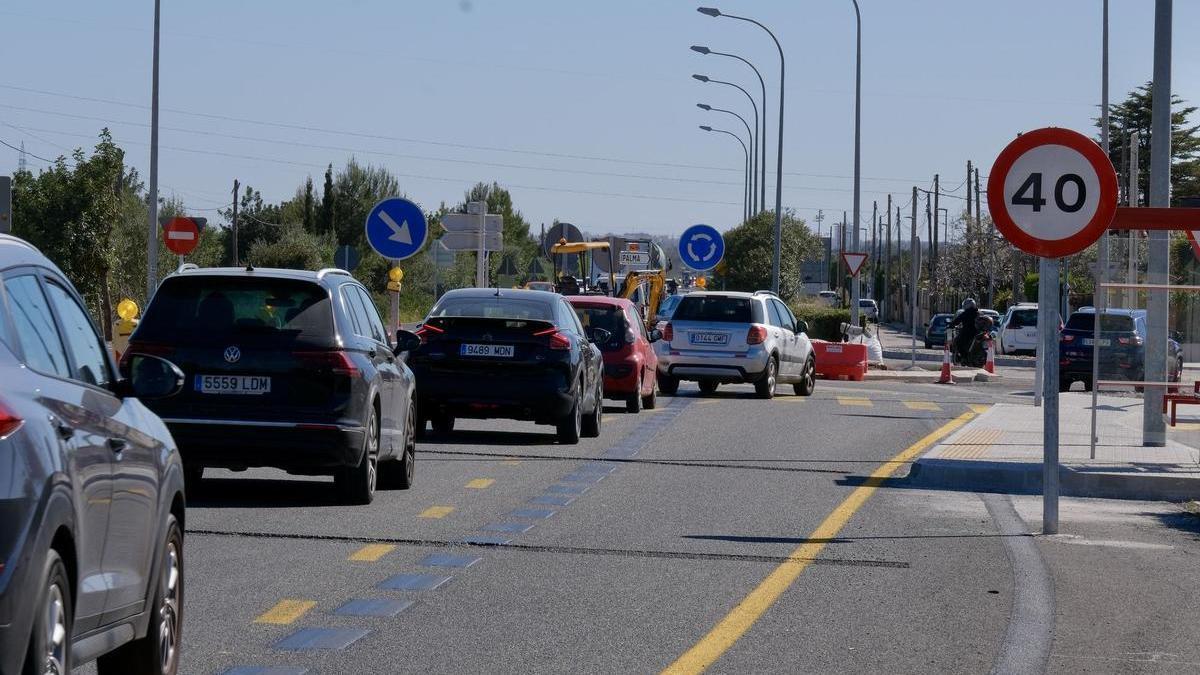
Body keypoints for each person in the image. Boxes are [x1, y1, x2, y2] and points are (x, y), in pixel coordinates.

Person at [948, 298, 980, 363]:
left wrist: (951, 325)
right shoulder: (979, 313)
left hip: (968, 331)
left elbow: (957, 320)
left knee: (958, 342)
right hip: (978, 332)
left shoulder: (966, 313)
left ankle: (964, 357)